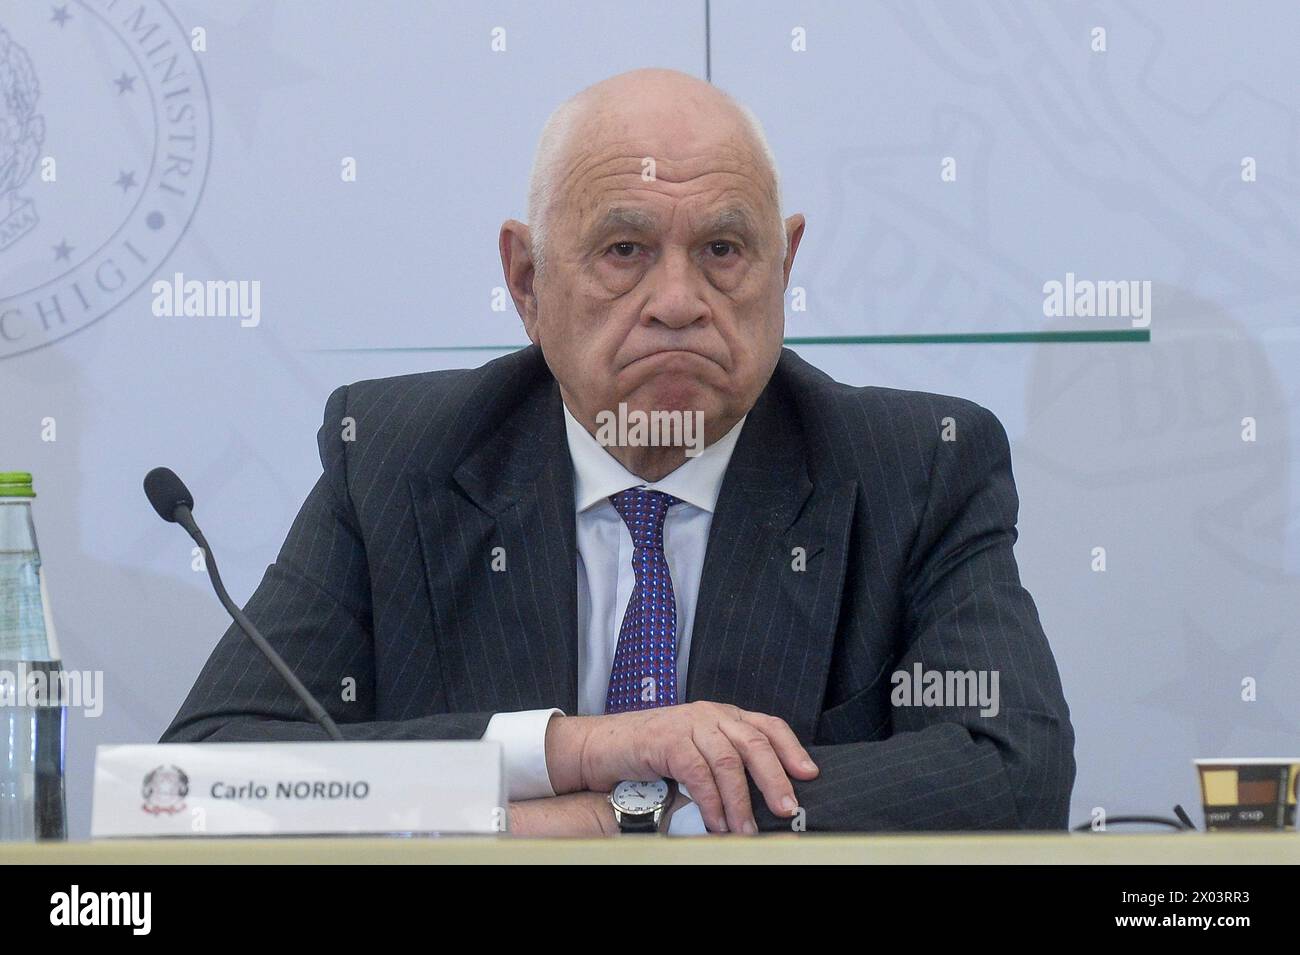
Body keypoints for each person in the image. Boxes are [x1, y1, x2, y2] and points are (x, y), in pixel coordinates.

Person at [163, 68, 1075, 836]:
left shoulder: (916, 469)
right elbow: (204, 779)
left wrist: (647, 819)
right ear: (526, 280)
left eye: (723, 248)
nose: (677, 300)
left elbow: (1012, 765)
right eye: (625, 248)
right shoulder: (400, 460)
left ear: (784, 267)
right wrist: (576, 753)